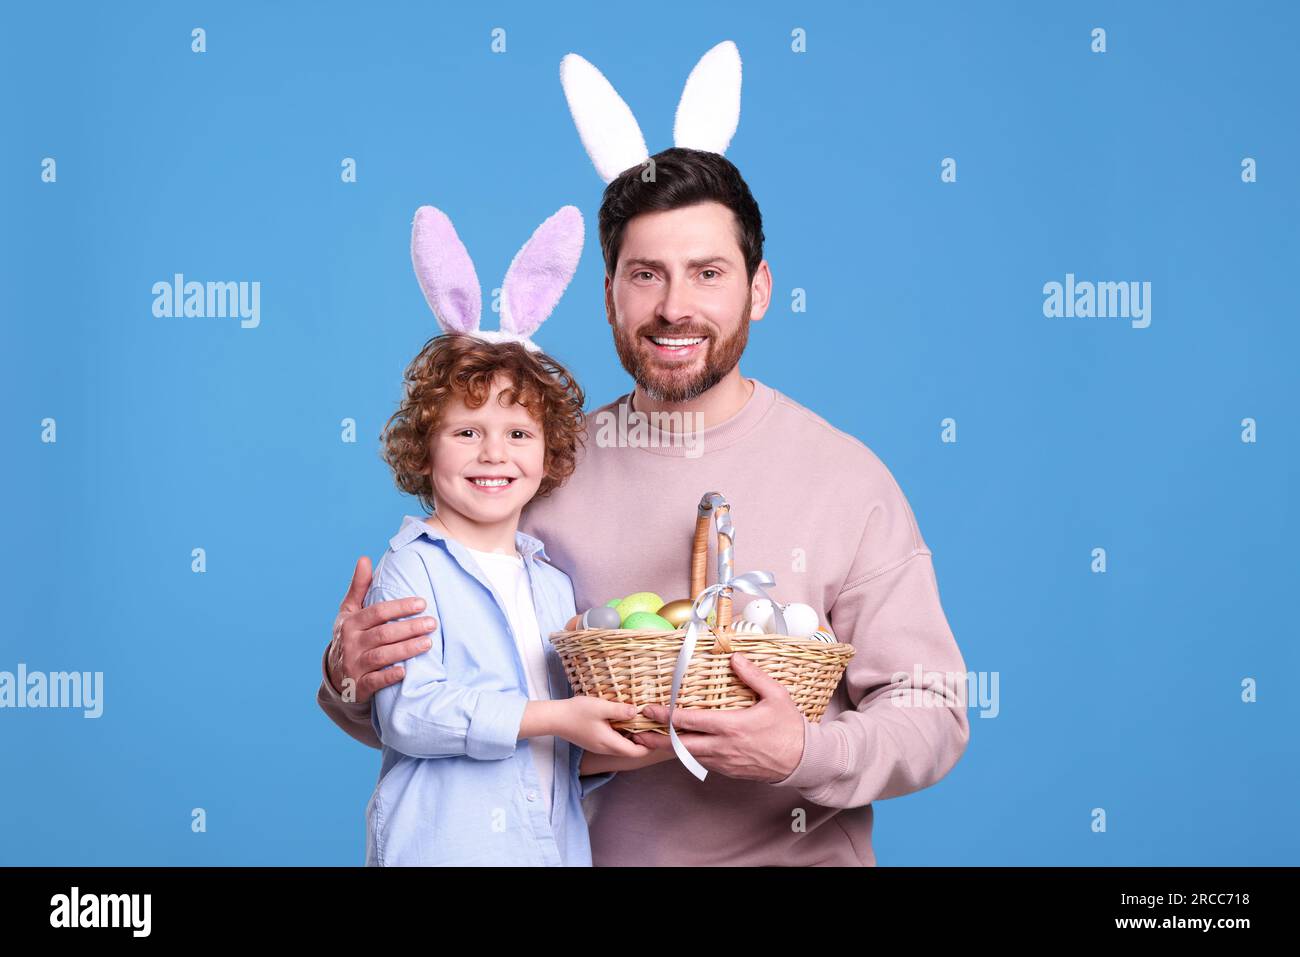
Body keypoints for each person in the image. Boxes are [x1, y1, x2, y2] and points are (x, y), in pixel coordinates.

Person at [321, 148, 970, 866]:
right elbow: (450, 715)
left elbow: (933, 712)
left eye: (708, 272)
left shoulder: (847, 479)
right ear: (608, 295)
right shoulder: (533, 469)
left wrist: (804, 751)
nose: (673, 307)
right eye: (646, 274)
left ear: (759, 289)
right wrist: (351, 680)